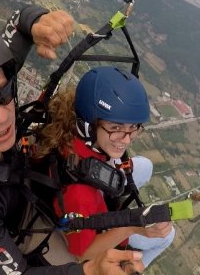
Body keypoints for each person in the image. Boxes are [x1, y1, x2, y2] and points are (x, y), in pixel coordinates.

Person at [0, 7, 144, 275]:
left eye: (5, 92)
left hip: (15, 185)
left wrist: (37, 21)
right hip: (5, 226)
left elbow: (20, 24)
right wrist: (90, 271)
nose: (0, 116)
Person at [35, 66, 176, 269]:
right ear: (89, 126)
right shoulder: (80, 195)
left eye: (132, 128)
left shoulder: (73, 132)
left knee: (145, 166)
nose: (126, 140)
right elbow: (82, 253)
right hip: (93, 217)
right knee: (168, 236)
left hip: (93, 179)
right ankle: (130, 267)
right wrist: (132, 227)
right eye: (116, 128)